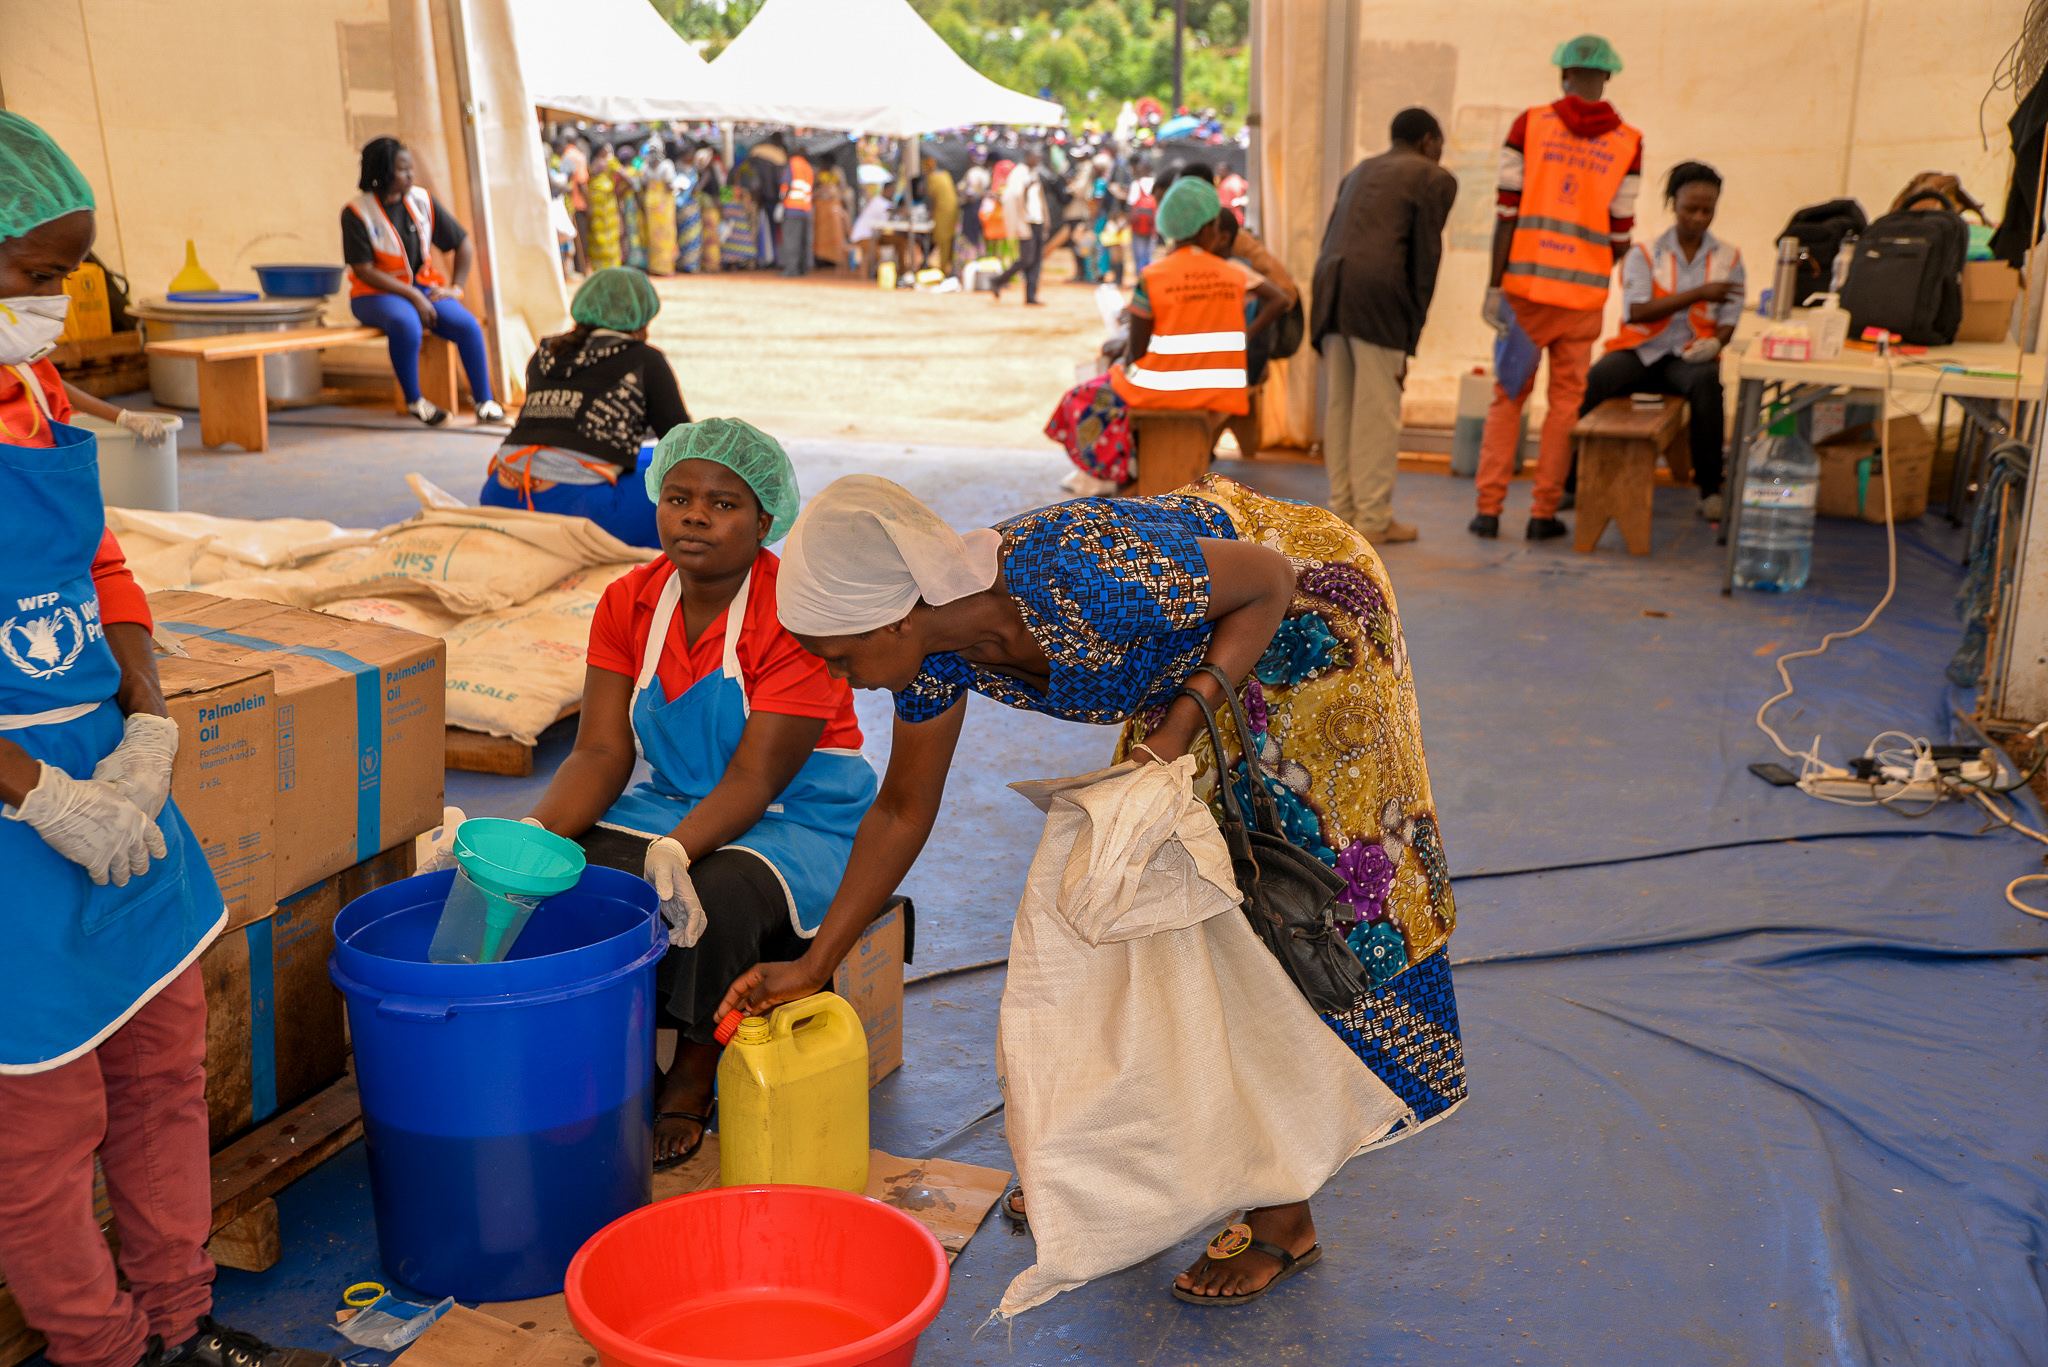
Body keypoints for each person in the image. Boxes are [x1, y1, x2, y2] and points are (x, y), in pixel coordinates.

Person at [724, 469, 1464, 1303]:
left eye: (840, 656)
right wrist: (817, 959)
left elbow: (1267, 579)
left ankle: (1282, 1216)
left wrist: (1177, 729)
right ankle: (1109, 1175)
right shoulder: (929, 653)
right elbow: (900, 808)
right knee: (1140, 906)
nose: (835, 680)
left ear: (896, 613)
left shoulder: (1073, 574)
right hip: (1191, 662)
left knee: (1272, 905)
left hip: (1305, 623)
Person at [0, 111, 343, 1367]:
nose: (56, 305)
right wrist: (42, 795)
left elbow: (100, 564)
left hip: (110, 780)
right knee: (37, 1133)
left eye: (66, 276)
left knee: (159, 1066)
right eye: (38, 277)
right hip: (18, 827)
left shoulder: (32, 397)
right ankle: (104, 1354)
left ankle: (181, 1321)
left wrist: (145, 722)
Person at [523, 420, 876, 1167]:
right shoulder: (629, 601)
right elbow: (600, 749)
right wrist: (534, 836)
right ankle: (623, 1056)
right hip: (675, 798)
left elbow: (757, 776)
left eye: (722, 504)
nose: (694, 515)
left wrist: (680, 847)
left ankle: (690, 1071)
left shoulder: (794, 611)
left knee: (718, 893)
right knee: (579, 874)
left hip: (799, 814)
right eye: (678, 497)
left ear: (764, 519)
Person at [1471, 34, 1640, 541]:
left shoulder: (1531, 124)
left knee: (1508, 397)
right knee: (1565, 404)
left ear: (1562, 74)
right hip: (1584, 297)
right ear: (1607, 77)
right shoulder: (1628, 141)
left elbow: (1507, 211)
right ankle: (1543, 513)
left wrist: (1493, 285)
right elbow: (1620, 230)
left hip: (1524, 293)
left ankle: (1488, 510)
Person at [1045, 177, 1286, 489]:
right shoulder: (1234, 273)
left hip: (1161, 391)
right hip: (1224, 389)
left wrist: (1125, 361)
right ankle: (1131, 465)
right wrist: (1244, 338)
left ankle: (1126, 471)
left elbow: (1137, 352)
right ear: (1209, 228)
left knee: (1079, 399)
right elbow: (1280, 298)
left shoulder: (1154, 275)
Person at [1310, 107, 1459, 544]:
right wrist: (1410, 335)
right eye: (1441, 146)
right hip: (1379, 293)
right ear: (1429, 141)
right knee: (1377, 407)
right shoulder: (1434, 178)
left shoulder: (1359, 170)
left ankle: (1345, 513)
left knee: (1341, 403)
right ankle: (1373, 519)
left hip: (1332, 285)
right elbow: (1424, 259)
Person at [1575, 161, 1743, 521]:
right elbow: (1637, 312)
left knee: (1708, 386)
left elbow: (1729, 318)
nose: (1698, 217)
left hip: (1687, 358)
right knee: (1595, 379)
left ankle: (1710, 490)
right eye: (1690, 208)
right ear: (1673, 204)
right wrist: (1700, 292)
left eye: (1707, 210)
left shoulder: (1729, 258)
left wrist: (1716, 345)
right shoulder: (1643, 254)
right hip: (1640, 353)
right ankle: (1571, 481)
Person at [478, 269, 688, 548]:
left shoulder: (544, 353)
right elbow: (684, 445)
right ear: (639, 321)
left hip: (499, 496)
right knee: (683, 493)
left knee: (644, 459)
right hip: (577, 507)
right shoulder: (645, 360)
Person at [343, 137, 505, 427]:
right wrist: (414, 297)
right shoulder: (356, 212)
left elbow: (462, 243)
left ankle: (485, 401)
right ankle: (415, 401)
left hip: (423, 287)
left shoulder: (421, 200)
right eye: (402, 169)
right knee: (406, 323)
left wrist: (456, 287)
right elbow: (364, 270)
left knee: (467, 326)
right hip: (373, 294)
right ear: (383, 172)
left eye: (410, 168)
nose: (410, 175)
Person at [992, 148, 1049, 304]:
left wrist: (1045, 222)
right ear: (1027, 156)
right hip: (1025, 222)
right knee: (1026, 259)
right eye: (1035, 157)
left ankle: (1031, 296)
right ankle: (998, 280)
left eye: (1039, 157)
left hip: (1037, 221)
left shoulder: (1033, 173)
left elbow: (1040, 200)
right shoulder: (1019, 173)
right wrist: (1026, 188)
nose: (1038, 160)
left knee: (1036, 261)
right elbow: (1013, 196)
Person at [781, 135, 814, 278]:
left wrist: (781, 200)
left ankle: (791, 270)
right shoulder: (808, 168)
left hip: (792, 207)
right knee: (802, 241)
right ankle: (802, 269)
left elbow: (785, 185)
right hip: (805, 209)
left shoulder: (793, 164)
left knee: (791, 240)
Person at [922, 153, 959, 277]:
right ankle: (948, 267)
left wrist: (931, 214)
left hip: (942, 211)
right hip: (953, 211)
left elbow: (934, 199)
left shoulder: (932, 178)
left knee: (943, 240)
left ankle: (944, 271)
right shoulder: (945, 174)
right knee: (948, 240)